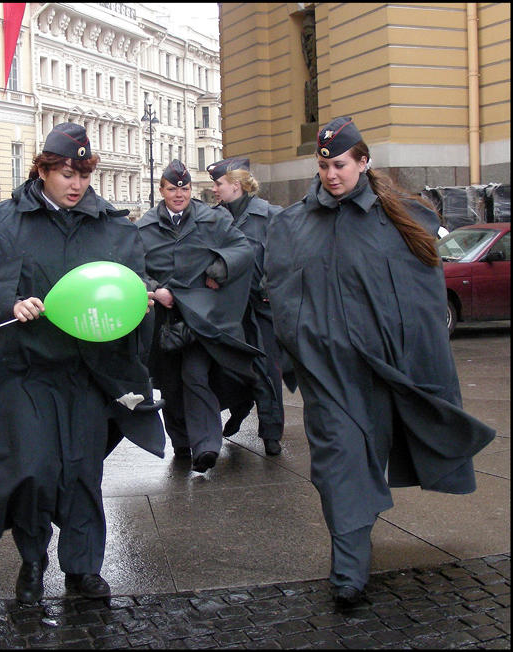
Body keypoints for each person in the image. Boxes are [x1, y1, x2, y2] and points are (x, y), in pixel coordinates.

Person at [264, 116, 496, 608]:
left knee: (368, 458)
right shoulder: (293, 224)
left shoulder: (401, 219)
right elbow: (279, 291)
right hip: (327, 374)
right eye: (324, 165)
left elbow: (424, 298)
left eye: (341, 164)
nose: (332, 174)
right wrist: (298, 349)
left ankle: (355, 534)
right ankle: (348, 568)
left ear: (364, 162)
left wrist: (420, 360)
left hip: (386, 370)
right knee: (339, 464)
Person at [0, 123, 165, 605]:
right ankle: (32, 560)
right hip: (26, 373)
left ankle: (83, 567)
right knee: (32, 469)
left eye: (83, 174)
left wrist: (141, 298)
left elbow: (131, 279)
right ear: (43, 170)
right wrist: (10, 302)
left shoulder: (112, 226)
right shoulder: (1, 223)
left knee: (81, 470)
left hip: (87, 374)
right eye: (65, 173)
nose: (75, 184)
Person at [137, 159, 262, 473]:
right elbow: (132, 269)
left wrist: (221, 266)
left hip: (201, 316)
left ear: (190, 190)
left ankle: (206, 446)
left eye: (184, 187)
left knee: (195, 376)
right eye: (171, 188)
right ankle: (181, 443)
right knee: (170, 383)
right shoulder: (144, 227)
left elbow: (241, 248)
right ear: (162, 190)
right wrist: (153, 288)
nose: (179, 194)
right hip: (165, 319)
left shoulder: (212, 218)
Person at [208, 157, 289, 455]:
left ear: (236, 185)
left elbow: (285, 258)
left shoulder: (270, 216)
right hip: (227, 310)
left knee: (268, 369)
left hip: (260, 308)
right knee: (229, 369)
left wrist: (269, 286)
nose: (214, 189)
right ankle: (239, 408)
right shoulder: (212, 218)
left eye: (219, 184)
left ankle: (270, 433)